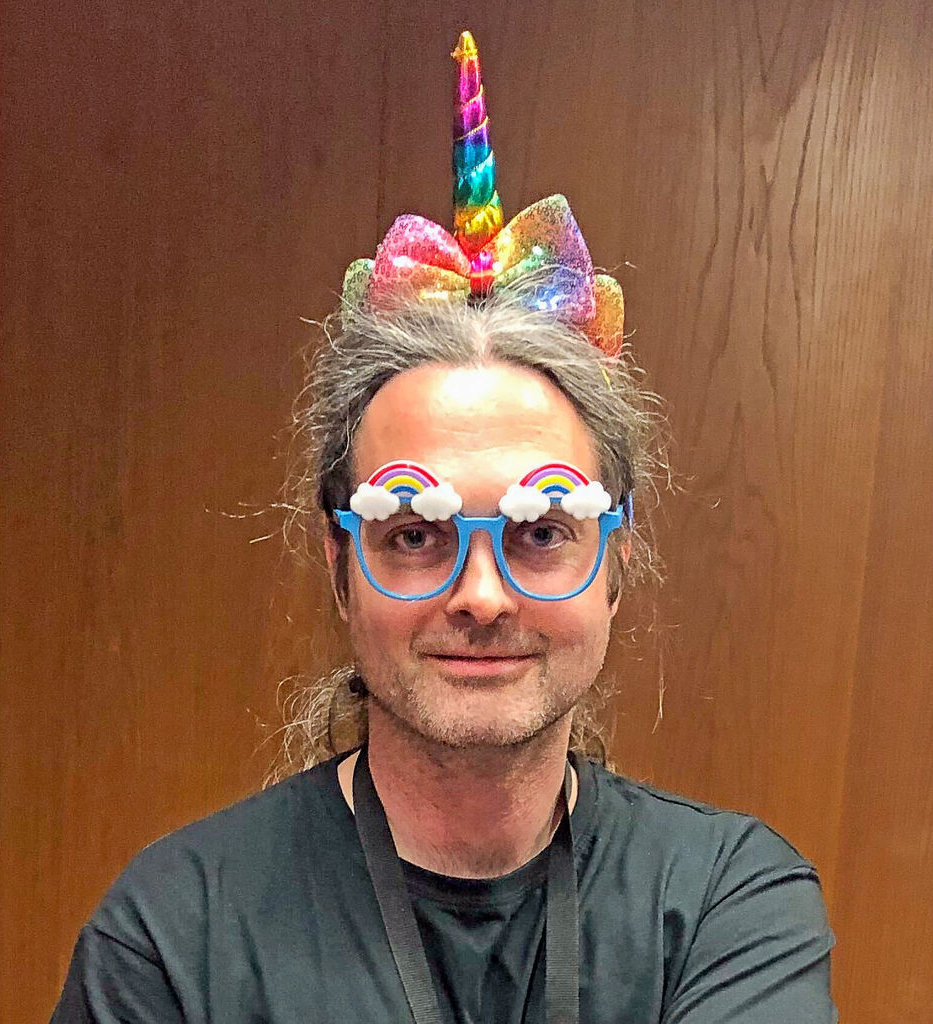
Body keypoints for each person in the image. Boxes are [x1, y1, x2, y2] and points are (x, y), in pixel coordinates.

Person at [51, 30, 836, 1024]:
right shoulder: (172, 937)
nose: (481, 595)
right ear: (340, 565)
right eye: (415, 534)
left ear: (615, 564)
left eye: (541, 531)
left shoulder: (731, 905)